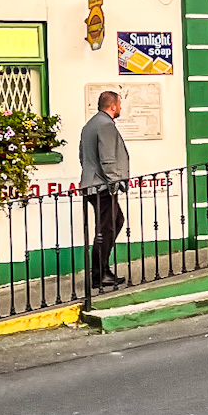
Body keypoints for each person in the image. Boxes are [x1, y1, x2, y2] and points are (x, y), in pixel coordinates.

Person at [80, 90, 130, 290]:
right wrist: (114, 183)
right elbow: (108, 158)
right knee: (106, 228)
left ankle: (101, 271)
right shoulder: (106, 125)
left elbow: (82, 156)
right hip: (102, 186)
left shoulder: (90, 125)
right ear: (113, 106)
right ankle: (99, 274)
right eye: (120, 105)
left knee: (115, 222)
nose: (120, 108)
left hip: (93, 184)